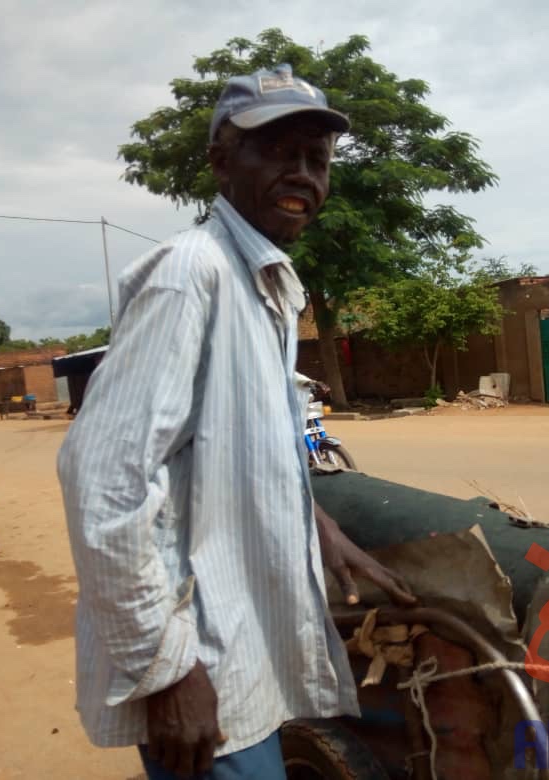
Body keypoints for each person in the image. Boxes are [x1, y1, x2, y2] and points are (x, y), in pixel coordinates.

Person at [58, 64, 415, 780]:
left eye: (317, 160)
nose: (304, 174)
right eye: (280, 151)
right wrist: (167, 671)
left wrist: (318, 525)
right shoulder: (193, 274)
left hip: (242, 648)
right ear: (223, 162)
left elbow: (228, 453)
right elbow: (104, 483)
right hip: (203, 667)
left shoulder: (267, 284)